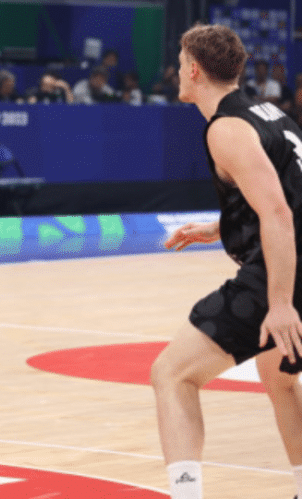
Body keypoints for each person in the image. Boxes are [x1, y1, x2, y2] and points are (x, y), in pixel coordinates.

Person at [151, 24, 302, 499]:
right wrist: (221, 227)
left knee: (172, 373)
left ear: (195, 70)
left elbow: (278, 212)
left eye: (180, 64)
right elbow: (288, 196)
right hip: (294, 260)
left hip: (283, 272)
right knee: (278, 377)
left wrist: (281, 302)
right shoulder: (269, 113)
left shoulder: (227, 128)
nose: (177, 72)